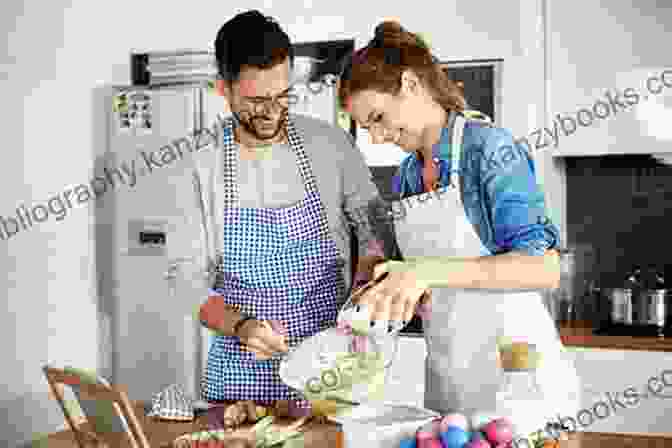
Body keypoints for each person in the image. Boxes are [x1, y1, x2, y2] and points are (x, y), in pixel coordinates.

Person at [338, 21, 580, 426]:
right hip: (449, 383)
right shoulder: (408, 176)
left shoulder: (489, 149)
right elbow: (422, 278)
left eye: (379, 117)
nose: (377, 137)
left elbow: (544, 268)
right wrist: (379, 295)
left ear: (412, 84)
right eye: (368, 128)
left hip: (516, 384)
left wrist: (423, 273)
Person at [192, 10, 392, 411]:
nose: (271, 112)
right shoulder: (198, 162)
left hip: (329, 371)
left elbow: (375, 230)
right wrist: (242, 326)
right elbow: (185, 283)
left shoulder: (331, 145)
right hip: (239, 378)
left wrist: (363, 291)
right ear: (222, 89)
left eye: (281, 95)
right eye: (255, 100)